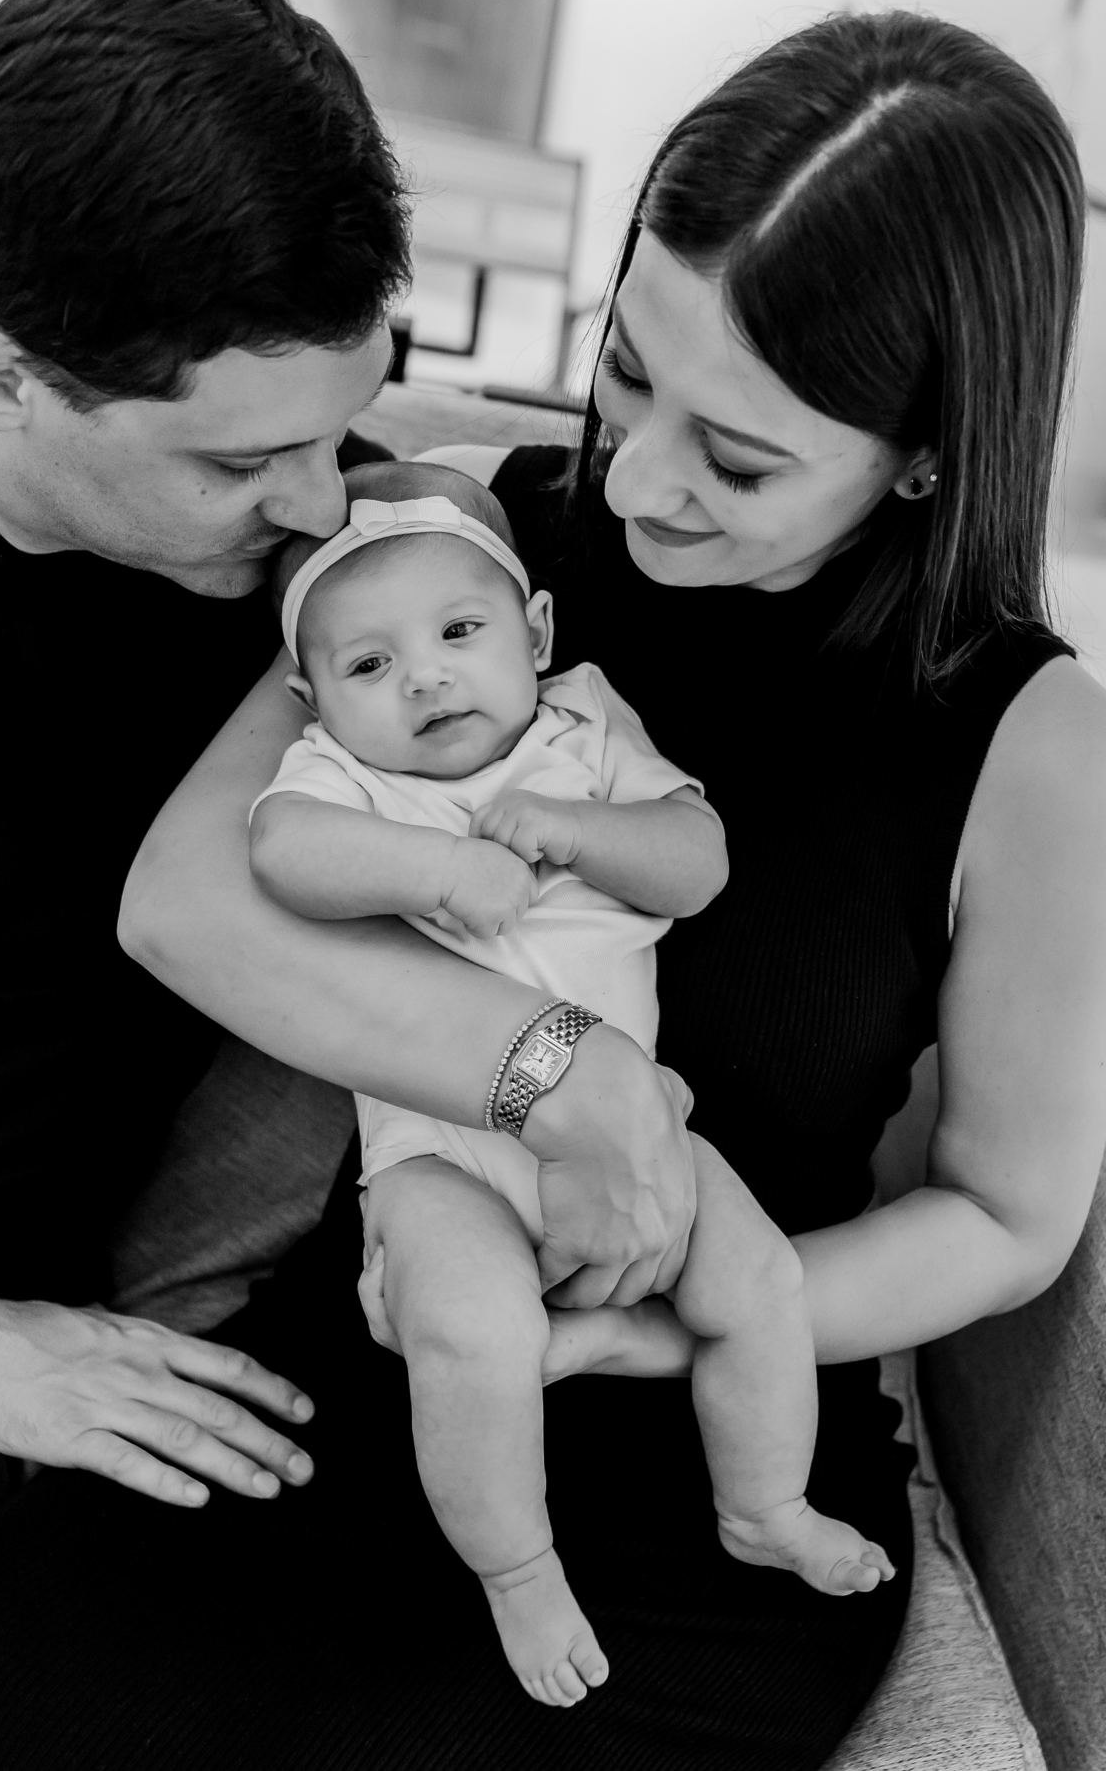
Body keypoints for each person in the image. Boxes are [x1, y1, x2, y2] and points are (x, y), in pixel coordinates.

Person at [0, 1, 1104, 1771]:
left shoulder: (1032, 742)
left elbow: (1009, 1215)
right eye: (627, 370)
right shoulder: (460, 546)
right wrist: (554, 1069)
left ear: (925, 449)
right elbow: (195, 895)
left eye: (741, 456)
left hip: (707, 1433)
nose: (643, 480)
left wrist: (666, 1330)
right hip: (377, 1345)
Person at [0, 0, 419, 1573]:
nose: (323, 503)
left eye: (345, 420)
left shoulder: (325, 548)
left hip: (58, 1329)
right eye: (240, 460)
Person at [251, 458, 888, 1706]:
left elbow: (696, 861)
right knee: (469, 1331)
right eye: (370, 663)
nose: (426, 676)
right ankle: (518, 1568)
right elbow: (282, 852)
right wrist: (436, 873)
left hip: (634, 1129)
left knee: (760, 1283)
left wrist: (578, 830)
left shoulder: (583, 726)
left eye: (459, 632)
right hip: (441, 1156)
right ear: (310, 698)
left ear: (535, 633)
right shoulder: (342, 778)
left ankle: (765, 1505)